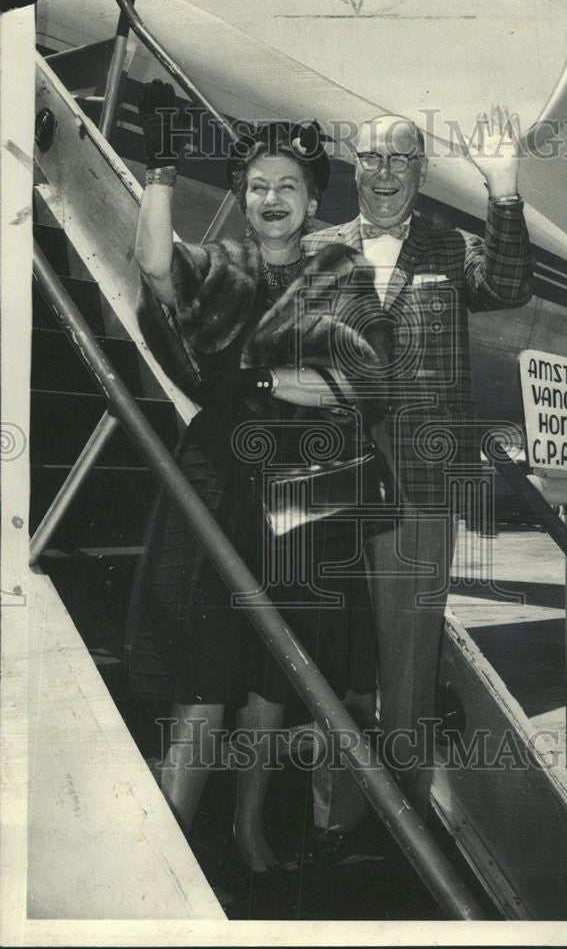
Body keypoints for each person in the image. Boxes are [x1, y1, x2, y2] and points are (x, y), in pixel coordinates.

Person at [125, 81, 389, 874]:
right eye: (258, 187)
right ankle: (169, 846)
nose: (272, 199)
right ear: (242, 199)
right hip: (219, 476)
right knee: (204, 667)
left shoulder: (343, 269)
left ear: (313, 202)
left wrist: (263, 382)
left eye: (288, 188)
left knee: (279, 669)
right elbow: (156, 270)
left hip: (303, 479)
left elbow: (363, 381)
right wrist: (163, 171)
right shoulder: (222, 263)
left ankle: (247, 829)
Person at [300, 106, 535, 855]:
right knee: (335, 655)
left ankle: (396, 833)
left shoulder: (449, 244)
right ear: (352, 166)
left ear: (422, 168)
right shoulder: (317, 248)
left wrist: (504, 188)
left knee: (406, 660)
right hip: (329, 477)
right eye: (369, 157)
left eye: (401, 157)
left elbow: (506, 284)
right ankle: (332, 819)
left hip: (420, 484)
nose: (384, 171)